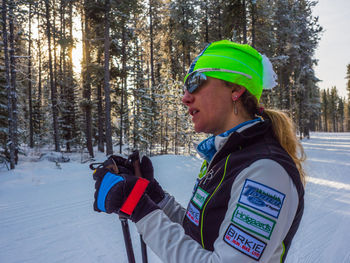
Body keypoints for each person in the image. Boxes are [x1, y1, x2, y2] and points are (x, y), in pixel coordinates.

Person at [92, 40, 306, 262]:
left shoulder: (265, 170)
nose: (185, 98)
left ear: (236, 89)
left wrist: (140, 209)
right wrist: (155, 197)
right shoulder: (227, 157)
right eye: (184, 88)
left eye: (195, 82)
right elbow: (198, 236)